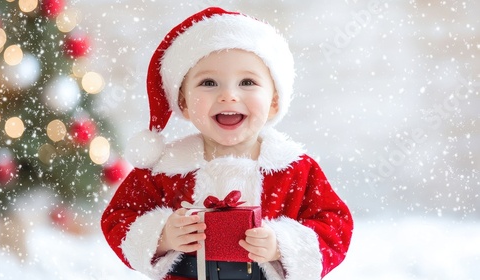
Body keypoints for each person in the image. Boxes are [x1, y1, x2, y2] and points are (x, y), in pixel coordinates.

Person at [101, 6, 353, 280]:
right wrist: (163, 235)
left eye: (247, 81)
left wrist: (282, 245)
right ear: (183, 103)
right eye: (208, 82)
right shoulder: (165, 169)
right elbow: (118, 217)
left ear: (274, 101)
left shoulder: (295, 169)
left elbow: (337, 226)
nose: (228, 95)